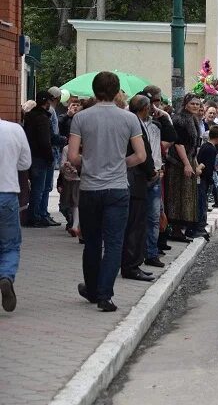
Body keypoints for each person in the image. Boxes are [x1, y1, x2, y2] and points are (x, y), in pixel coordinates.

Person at [69, 71, 146, 312]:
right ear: (117, 92)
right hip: (117, 188)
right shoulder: (129, 119)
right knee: (114, 243)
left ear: (94, 90)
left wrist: (90, 162)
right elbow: (141, 155)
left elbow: (72, 156)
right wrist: (119, 164)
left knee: (92, 242)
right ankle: (105, 295)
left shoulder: (81, 118)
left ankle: (91, 289)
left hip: (90, 188)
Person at [121, 95, 157, 283]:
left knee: (135, 225)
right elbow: (143, 153)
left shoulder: (134, 121)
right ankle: (131, 265)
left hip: (134, 179)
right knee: (135, 225)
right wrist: (151, 172)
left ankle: (133, 263)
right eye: (150, 106)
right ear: (144, 108)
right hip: (135, 179)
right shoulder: (134, 123)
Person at [139, 86, 176, 268]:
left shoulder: (157, 123)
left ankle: (151, 253)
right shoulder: (132, 122)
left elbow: (171, 136)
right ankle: (138, 252)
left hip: (155, 172)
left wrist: (162, 116)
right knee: (138, 216)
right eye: (151, 103)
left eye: (156, 103)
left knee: (154, 216)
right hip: (138, 175)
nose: (153, 107)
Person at [0, 116, 32, 312]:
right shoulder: (14, 129)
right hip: (7, 194)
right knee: (10, 245)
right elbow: (25, 163)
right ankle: (5, 275)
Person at [165, 94, 202, 242]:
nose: (195, 106)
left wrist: (194, 162)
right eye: (192, 103)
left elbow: (193, 145)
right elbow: (179, 143)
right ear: (186, 104)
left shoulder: (193, 119)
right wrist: (186, 163)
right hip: (178, 163)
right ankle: (175, 229)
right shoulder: (179, 119)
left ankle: (181, 229)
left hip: (188, 159)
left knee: (187, 195)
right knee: (177, 196)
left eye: (197, 104)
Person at [23, 90, 56, 227]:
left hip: (32, 155)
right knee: (40, 188)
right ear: (46, 102)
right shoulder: (42, 119)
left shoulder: (30, 117)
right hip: (41, 158)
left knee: (36, 187)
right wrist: (50, 157)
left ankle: (34, 215)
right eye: (50, 101)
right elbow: (45, 141)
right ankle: (35, 217)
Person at [196, 125, 218, 241]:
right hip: (204, 179)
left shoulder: (204, 146)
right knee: (202, 203)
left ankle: (200, 225)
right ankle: (201, 227)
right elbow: (208, 167)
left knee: (202, 202)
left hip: (201, 178)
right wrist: (210, 179)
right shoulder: (211, 149)